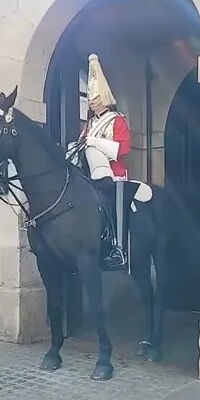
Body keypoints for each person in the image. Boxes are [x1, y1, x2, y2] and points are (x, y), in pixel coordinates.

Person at [77, 53, 131, 267]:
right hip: (90, 175)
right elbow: (82, 144)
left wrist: (95, 142)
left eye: (96, 97)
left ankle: (118, 247)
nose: (92, 101)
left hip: (113, 175)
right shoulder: (90, 125)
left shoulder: (117, 120)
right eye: (90, 98)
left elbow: (123, 149)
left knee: (114, 205)